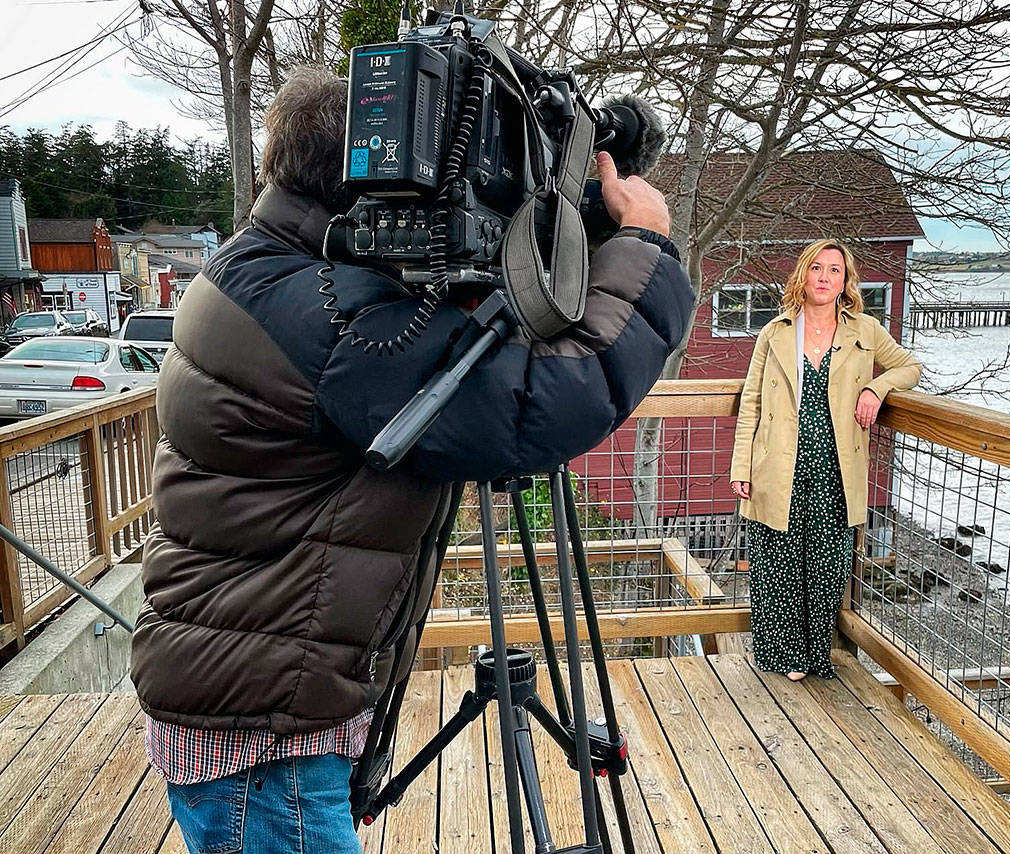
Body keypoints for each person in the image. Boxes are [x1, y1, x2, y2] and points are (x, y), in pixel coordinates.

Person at [130, 66, 691, 854]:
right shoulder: (325, 315)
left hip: (255, 698)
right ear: (376, 180)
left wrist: (572, 214)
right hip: (261, 737)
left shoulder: (270, 270)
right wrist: (646, 246)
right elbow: (545, 403)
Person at [729, 239, 921, 681]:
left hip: (836, 469)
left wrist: (877, 388)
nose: (824, 277)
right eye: (817, 268)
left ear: (845, 281)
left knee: (826, 564)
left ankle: (817, 655)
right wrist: (741, 468)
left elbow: (910, 366)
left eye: (835, 270)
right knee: (777, 563)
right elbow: (752, 403)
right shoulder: (776, 331)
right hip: (778, 467)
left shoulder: (865, 331)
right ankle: (782, 657)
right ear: (803, 275)